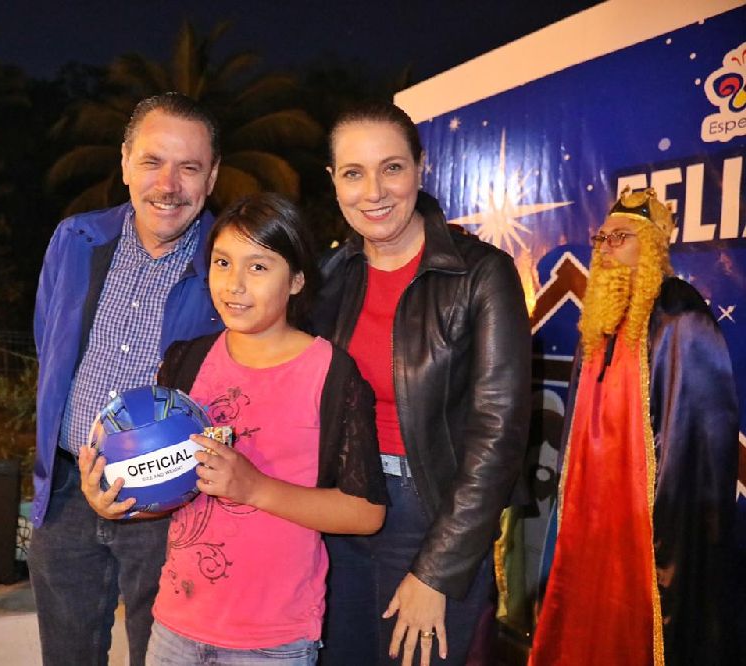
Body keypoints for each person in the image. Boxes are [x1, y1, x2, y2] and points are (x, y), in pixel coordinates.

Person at [79, 192, 388, 665]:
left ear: (297, 280)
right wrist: (119, 502)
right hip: (175, 627)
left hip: (272, 639)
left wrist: (254, 487)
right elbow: (174, 492)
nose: (235, 284)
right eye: (223, 263)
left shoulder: (331, 374)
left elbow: (365, 512)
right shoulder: (186, 361)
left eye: (258, 267)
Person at [314, 101, 531, 666]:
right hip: (339, 509)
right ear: (333, 180)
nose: (373, 192)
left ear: (419, 167)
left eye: (391, 168)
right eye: (353, 173)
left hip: (432, 513)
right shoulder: (329, 276)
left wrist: (438, 569)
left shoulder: (481, 273)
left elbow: (499, 433)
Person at [29, 92, 225, 666]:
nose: (168, 185)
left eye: (189, 167)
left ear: (212, 177)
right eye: (152, 161)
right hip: (68, 494)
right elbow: (48, 342)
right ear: (124, 163)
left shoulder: (229, 263)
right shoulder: (75, 240)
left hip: (175, 512)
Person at [529, 187, 740, 666]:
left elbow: (698, 438)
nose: (604, 248)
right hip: (591, 507)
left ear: (651, 246)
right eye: (601, 238)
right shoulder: (600, 320)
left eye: (619, 237)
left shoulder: (680, 315)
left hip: (644, 515)